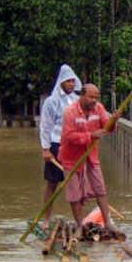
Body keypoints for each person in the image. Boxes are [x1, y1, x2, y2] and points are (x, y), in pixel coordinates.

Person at [59, 83, 122, 238]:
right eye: (90, 97)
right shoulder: (70, 112)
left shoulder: (98, 109)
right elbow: (68, 136)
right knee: (74, 194)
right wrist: (91, 136)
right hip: (71, 158)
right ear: (81, 96)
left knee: (100, 188)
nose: (94, 100)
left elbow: (107, 128)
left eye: (96, 97)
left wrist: (113, 121)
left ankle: (107, 222)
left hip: (91, 157)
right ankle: (80, 225)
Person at [39, 64, 82, 231]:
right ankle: (46, 219)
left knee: (74, 184)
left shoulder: (76, 101)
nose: (71, 84)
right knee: (52, 184)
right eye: (68, 81)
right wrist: (46, 148)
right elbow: (46, 126)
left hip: (72, 146)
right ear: (62, 82)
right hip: (56, 145)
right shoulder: (52, 101)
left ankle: (79, 222)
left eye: (73, 81)